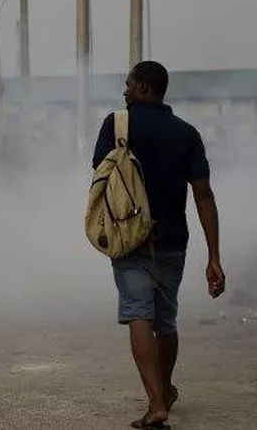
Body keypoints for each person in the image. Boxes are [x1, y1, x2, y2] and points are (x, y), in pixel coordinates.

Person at [92, 60, 226, 429]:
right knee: (165, 323)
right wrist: (214, 256)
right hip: (173, 242)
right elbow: (203, 196)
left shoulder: (117, 125)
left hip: (128, 239)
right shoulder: (187, 133)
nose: (125, 91)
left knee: (139, 315)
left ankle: (156, 404)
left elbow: (101, 177)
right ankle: (164, 389)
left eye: (129, 85)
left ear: (145, 88)